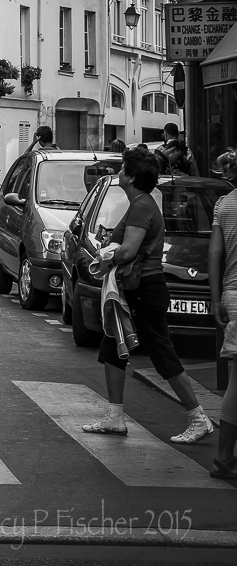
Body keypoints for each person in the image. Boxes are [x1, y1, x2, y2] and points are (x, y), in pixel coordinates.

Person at [82, 145, 214, 444]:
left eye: (123, 168)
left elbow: (128, 250)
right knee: (114, 347)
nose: (119, 172)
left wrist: (106, 257)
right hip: (137, 288)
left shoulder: (141, 205)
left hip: (145, 288)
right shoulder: (140, 202)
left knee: (161, 353)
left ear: (131, 176)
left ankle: (199, 417)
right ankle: (115, 416)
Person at [209, 149, 237, 479]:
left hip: (231, 294)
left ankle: (225, 457)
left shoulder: (223, 205)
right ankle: (223, 458)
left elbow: (214, 253)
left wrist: (216, 299)